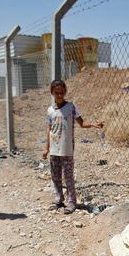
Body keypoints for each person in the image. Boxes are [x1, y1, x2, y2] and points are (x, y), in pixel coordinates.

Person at [41, 79, 104, 214]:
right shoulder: (50, 111)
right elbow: (49, 130)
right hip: (54, 149)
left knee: (68, 176)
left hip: (67, 149)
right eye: (56, 93)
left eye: (62, 92)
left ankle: (72, 202)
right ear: (52, 93)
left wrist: (93, 124)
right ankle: (59, 199)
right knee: (55, 176)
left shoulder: (71, 107)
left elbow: (81, 123)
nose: (59, 95)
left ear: (65, 92)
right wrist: (46, 148)